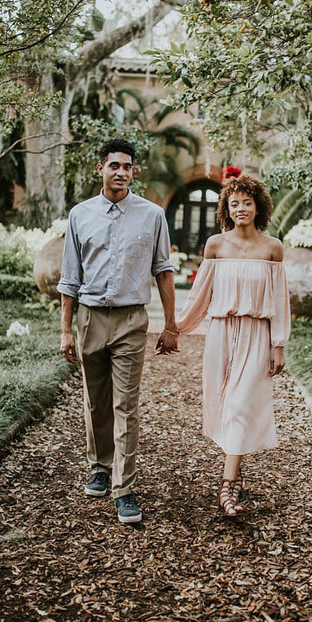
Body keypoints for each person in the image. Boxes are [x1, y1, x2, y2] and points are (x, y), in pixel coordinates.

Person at [58, 138, 178, 524]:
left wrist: (171, 325)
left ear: (134, 171)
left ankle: (124, 488)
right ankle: (99, 466)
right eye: (114, 166)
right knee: (96, 400)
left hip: (131, 320)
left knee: (126, 404)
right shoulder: (80, 215)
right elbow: (69, 280)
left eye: (127, 166)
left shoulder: (152, 215)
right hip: (90, 318)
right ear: (101, 169)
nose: (121, 172)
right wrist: (66, 331)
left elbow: (163, 270)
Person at [175, 174, 291, 516]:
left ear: (259, 207)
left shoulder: (272, 248)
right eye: (234, 203)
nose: (241, 209)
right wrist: (176, 328)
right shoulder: (216, 245)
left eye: (247, 202)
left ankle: (227, 487)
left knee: (241, 403)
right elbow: (200, 296)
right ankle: (235, 472)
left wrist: (278, 344)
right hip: (221, 334)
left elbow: (279, 300)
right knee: (225, 404)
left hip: (257, 334)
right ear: (226, 208)